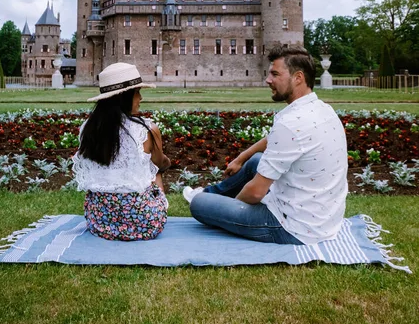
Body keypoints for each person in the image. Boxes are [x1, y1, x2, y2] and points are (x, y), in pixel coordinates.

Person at [184, 45, 348, 245]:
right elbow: (272, 140)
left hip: (293, 228)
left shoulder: (291, 123)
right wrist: (240, 158)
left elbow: (255, 192)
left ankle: (206, 198)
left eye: (275, 74)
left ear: (298, 78)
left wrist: (231, 211)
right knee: (255, 161)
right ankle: (211, 193)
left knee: (199, 205)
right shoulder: (323, 109)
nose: (268, 80)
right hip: (323, 217)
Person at [73, 62, 171, 241]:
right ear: (124, 97)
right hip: (144, 222)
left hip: (99, 220)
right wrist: (165, 163)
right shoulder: (146, 129)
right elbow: (160, 163)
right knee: (155, 170)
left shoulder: (89, 128)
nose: (140, 98)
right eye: (137, 92)